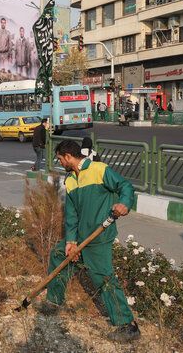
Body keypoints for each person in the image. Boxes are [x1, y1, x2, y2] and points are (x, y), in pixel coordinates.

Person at [43, 140, 139, 343]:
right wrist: (71, 241)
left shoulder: (98, 169)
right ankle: (54, 303)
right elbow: (72, 215)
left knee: (103, 278)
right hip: (81, 237)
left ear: (68, 156)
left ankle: (127, 326)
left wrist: (124, 203)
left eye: (60, 158)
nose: (59, 162)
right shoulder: (70, 180)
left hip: (99, 235)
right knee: (59, 254)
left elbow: (125, 186)